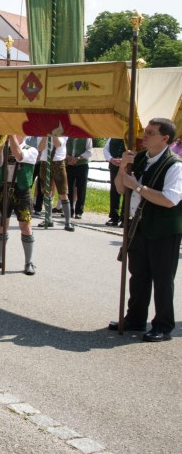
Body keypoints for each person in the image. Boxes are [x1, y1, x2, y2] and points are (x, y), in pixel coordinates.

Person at [109, 118, 181, 342]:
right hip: (138, 226)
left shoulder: (175, 165)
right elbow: (121, 189)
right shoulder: (138, 158)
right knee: (138, 275)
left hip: (164, 230)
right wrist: (122, 167)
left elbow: (169, 200)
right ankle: (135, 318)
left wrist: (138, 187)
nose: (145, 136)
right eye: (146, 131)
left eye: (151, 133)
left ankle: (163, 326)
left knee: (162, 278)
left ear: (165, 138)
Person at [0, 134, 39, 275]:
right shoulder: (6, 148)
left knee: (25, 226)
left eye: (16, 132)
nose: (13, 134)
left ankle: (28, 262)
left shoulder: (31, 150)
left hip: (21, 190)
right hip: (4, 188)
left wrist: (11, 136)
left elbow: (19, 156)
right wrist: (0, 145)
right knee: (1, 225)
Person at [64, 137, 92, 219]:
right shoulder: (68, 136)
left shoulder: (86, 137)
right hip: (69, 165)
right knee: (69, 188)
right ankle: (69, 210)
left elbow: (89, 151)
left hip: (82, 165)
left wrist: (78, 158)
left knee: (81, 188)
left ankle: (79, 211)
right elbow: (63, 148)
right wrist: (68, 157)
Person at [104, 137, 128, 226]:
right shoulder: (112, 137)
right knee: (114, 191)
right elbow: (106, 149)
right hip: (114, 166)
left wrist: (124, 161)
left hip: (128, 168)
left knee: (127, 192)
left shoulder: (132, 136)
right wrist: (111, 159)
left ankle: (125, 218)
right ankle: (114, 217)